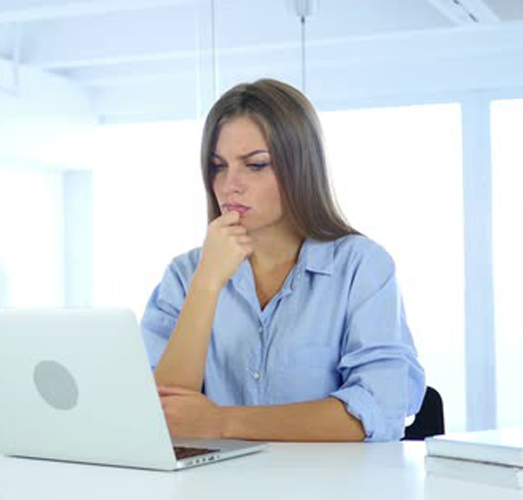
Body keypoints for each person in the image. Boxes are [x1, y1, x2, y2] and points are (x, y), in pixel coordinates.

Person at [141, 78, 425, 442]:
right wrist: (207, 285)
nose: (230, 184)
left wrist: (222, 422)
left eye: (255, 165)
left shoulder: (361, 266)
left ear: (300, 167)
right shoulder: (185, 275)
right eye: (218, 166)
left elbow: (380, 408)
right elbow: (163, 416)